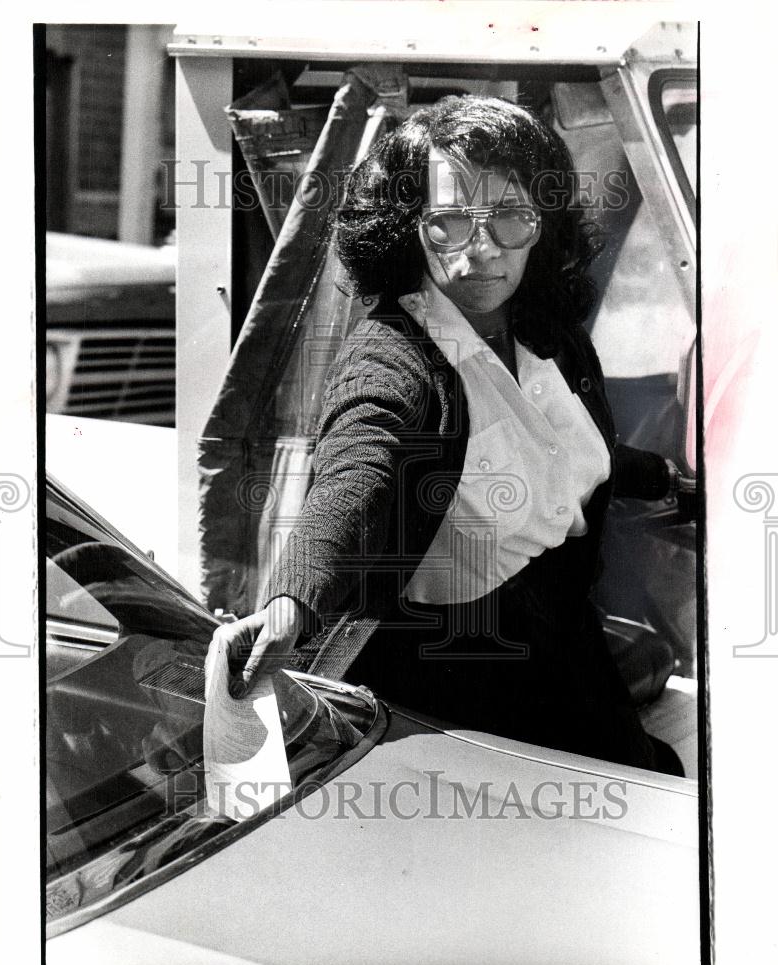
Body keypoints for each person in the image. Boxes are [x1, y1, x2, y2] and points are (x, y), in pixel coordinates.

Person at [209, 95, 686, 775]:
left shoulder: (550, 333)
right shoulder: (392, 354)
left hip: (566, 644)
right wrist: (292, 600)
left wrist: (667, 480)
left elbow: (569, 451)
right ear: (409, 228)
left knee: (650, 788)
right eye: (450, 223)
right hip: (456, 677)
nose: (482, 250)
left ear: (540, 224)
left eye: (510, 218)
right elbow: (355, 474)